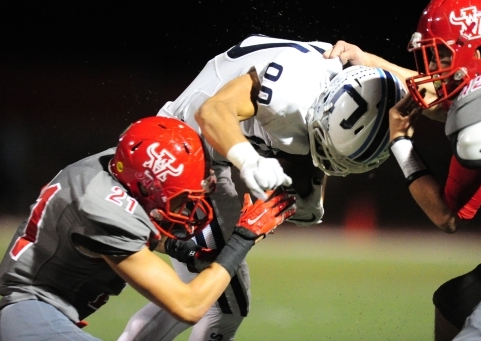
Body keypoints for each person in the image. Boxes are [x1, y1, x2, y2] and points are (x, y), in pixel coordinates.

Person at [118, 35, 405, 341]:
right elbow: (212, 112)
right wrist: (249, 161)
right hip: (181, 150)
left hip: (206, 155)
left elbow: (315, 144)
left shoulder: (355, 90)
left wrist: (308, 186)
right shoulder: (291, 92)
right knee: (223, 303)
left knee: (206, 292)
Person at [326, 0, 481, 340]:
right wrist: (373, 62)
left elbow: (447, 216)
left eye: (440, 56)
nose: (431, 68)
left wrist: (400, 143)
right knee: (457, 302)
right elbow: (448, 92)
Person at [0, 116, 296, 341]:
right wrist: (243, 236)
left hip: (31, 318)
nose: (189, 210)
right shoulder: (102, 209)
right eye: (182, 201)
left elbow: (122, 229)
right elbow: (188, 306)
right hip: (32, 321)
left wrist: (174, 247)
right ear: (146, 189)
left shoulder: (112, 170)